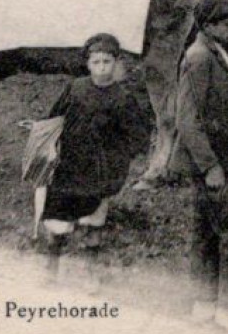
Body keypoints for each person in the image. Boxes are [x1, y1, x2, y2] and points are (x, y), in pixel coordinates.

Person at [170, 0, 228, 334]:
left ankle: (205, 301)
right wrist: (210, 167)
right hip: (207, 164)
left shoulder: (217, 50)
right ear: (208, 25)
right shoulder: (198, 58)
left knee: (206, 229)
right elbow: (188, 119)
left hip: (218, 160)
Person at [35, 34, 153, 266]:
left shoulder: (123, 98)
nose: (101, 68)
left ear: (116, 63)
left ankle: (92, 272)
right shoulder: (76, 88)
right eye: (96, 62)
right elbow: (54, 119)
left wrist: (119, 157)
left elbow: (138, 135)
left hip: (101, 170)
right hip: (68, 167)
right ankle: (51, 268)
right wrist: (46, 144)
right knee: (58, 219)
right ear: (88, 64)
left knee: (94, 219)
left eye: (107, 62)